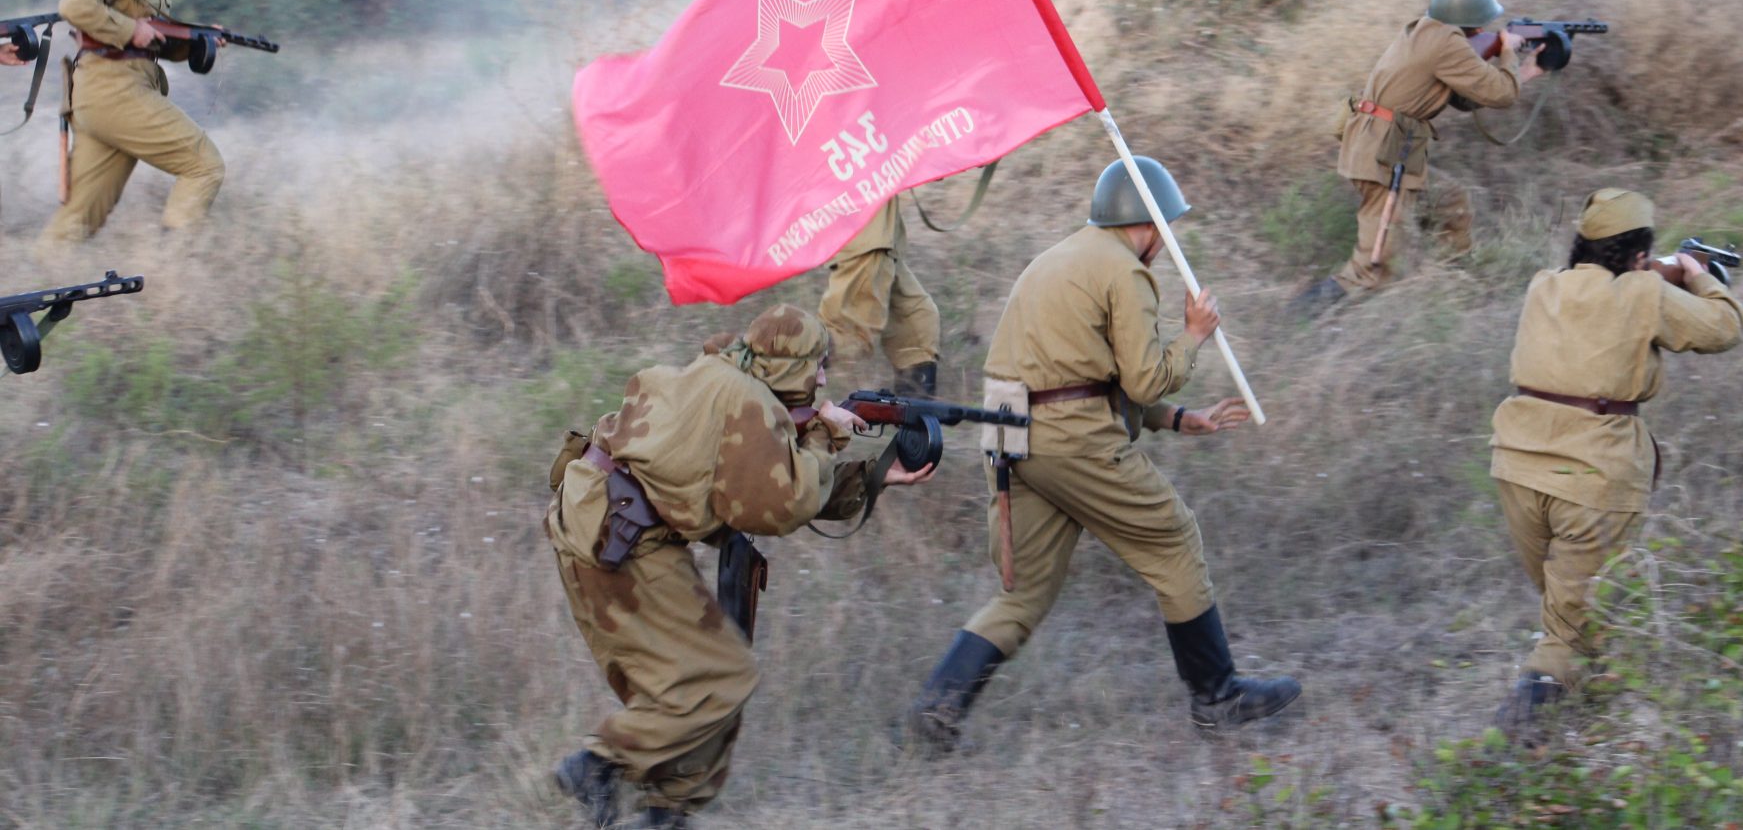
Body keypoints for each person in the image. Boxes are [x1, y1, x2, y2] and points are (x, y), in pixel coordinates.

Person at [908, 156, 1299, 749]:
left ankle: (936, 710)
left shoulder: (1055, 259)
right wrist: (1192, 337)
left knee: (1024, 593)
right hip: (1072, 438)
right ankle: (1217, 697)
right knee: (1174, 542)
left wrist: (1175, 420)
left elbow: (1077, 372)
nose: (1166, 244)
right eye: (1166, 228)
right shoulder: (1126, 272)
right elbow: (1140, 381)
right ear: (1146, 224)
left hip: (1008, 431)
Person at [548, 304, 934, 828]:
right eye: (817, 366)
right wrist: (824, 437)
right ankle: (599, 763)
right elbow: (785, 505)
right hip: (623, 542)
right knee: (722, 676)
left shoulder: (724, 378)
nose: (823, 378)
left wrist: (872, 477)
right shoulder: (749, 400)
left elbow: (755, 483)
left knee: (683, 686)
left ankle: (667, 812)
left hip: (594, 524)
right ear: (786, 364)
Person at [1487, 188, 1743, 734]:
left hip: (1516, 467)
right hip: (1593, 477)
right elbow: (1724, 328)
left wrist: (1654, 272)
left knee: (1575, 617)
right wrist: (1698, 274)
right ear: (1637, 258)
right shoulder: (1644, 294)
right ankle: (1512, 749)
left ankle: (1580, 737)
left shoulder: (1543, 286)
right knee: (1570, 635)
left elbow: (1598, 292)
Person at [1301, 0, 1542, 306]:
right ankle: (1306, 315)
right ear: (1468, 17)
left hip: (1388, 147)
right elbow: (1501, 93)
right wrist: (1506, 50)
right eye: (1481, 23)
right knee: (1372, 269)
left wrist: (1526, 71)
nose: (1484, 29)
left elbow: (1466, 96)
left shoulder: (1429, 32)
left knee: (1449, 203)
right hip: (1385, 155)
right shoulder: (1446, 43)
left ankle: (1458, 286)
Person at [40, 0, 224, 244]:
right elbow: (74, 5)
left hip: (106, 97)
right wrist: (128, 30)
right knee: (205, 166)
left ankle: (40, 280)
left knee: (77, 222)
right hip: (116, 91)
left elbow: (151, 39)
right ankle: (173, 267)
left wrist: (196, 41)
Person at [819, 195, 941, 395]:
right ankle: (763, 375)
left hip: (879, 213)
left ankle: (912, 423)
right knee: (848, 332)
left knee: (916, 326)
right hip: (861, 204)